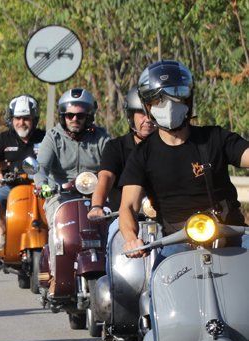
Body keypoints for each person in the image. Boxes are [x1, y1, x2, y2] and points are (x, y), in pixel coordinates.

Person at [120, 60, 249, 257]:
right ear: (147, 106)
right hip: (177, 242)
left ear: (188, 100)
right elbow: (128, 206)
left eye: (176, 96)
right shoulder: (142, 154)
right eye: (158, 100)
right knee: (158, 284)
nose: (168, 105)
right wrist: (130, 238)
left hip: (232, 234)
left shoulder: (214, 137)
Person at [35, 87, 110, 278]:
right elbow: (41, 167)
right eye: (69, 115)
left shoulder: (101, 137)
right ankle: (55, 273)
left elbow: (114, 163)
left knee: (113, 225)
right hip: (60, 195)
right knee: (57, 226)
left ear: (89, 116)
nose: (74, 119)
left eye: (80, 116)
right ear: (63, 116)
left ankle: (114, 269)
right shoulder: (53, 137)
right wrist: (43, 185)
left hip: (96, 195)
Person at [0, 95, 46, 252]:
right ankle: (3, 234)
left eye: (26, 118)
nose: (21, 122)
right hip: (11, 186)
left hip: (40, 187)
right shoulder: (4, 138)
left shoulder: (45, 138)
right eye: (17, 118)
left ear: (34, 119)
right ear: (11, 119)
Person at [88, 86, 157, 218]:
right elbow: (106, 177)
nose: (148, 119)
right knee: (117, 237)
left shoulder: (169, 146)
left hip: (164, 219)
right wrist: (97, 206)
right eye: (142, 113)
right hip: (122, 218)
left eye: (153, 114)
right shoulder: (116, 147)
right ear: (131, 116)